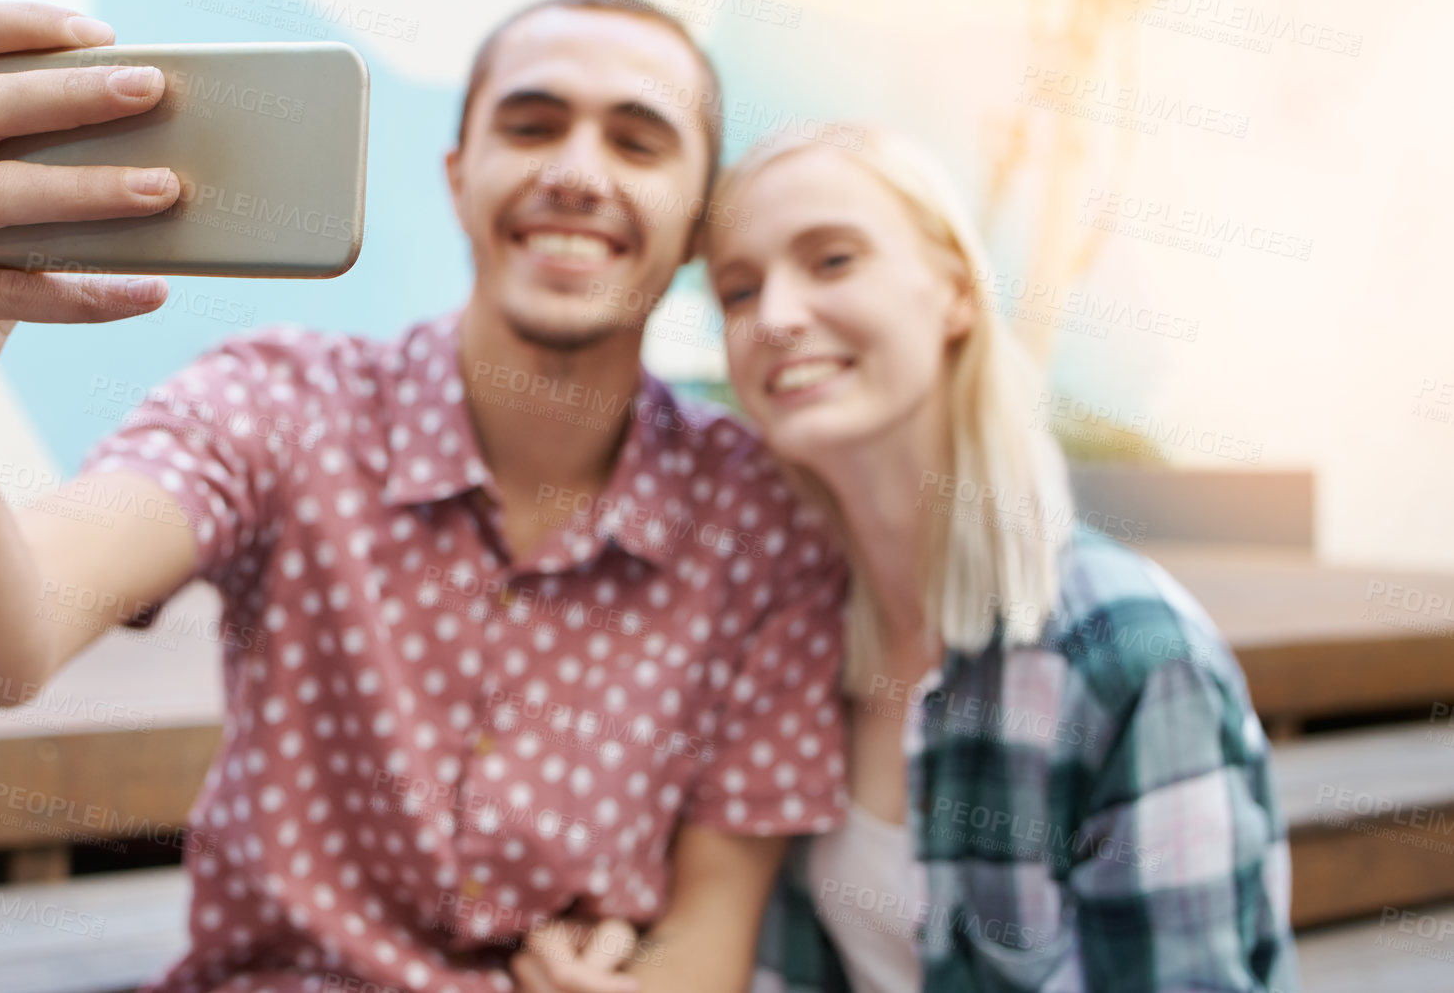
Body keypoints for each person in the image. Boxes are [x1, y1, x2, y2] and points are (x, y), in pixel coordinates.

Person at [0, 0, 853, 993]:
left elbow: (711, 941)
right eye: (532, 125)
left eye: (638, 143)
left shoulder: (761, 522)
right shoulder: (282, 404)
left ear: (697, 220)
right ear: (460, 179)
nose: (578, 173)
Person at [521, 125, 1299, 992]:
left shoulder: (1125, 656)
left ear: (955, 292)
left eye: (832, 260)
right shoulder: (788, 632)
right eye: (738, 291)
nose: (775, 317)